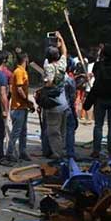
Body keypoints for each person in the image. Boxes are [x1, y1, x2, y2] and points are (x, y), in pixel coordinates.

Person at [42, 32, 70, 160]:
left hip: (53, 104)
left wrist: (44, 85)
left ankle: (57, 154)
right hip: (64, 103)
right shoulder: (62, 64)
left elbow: (49, 83)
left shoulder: (49, 67)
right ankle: (61, 151)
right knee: (62, 131)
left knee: (53, 131)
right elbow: (65, 51)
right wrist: (61, 38)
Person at [6, 53, 33, 161]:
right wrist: (28, 101)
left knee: (23, 131)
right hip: (18, 107)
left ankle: (23, 151)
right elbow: (19, 89)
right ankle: (10, 152)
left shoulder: (22, 71)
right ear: (25, 60)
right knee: (16, 132)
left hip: (22, 107)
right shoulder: (19, 72)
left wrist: (27, 104)